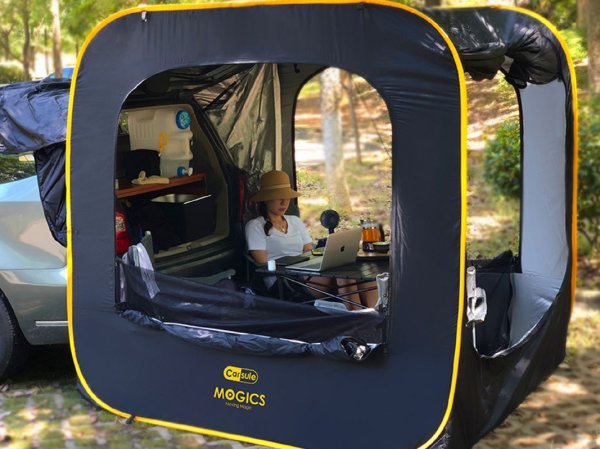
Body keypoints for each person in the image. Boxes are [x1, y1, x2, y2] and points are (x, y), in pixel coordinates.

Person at [245, 170, 376, 309]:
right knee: (341, 272)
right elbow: (262, 263)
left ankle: (374, 311)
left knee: (356, 270)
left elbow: (309, 253)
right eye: (279, 197)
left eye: (287, 197)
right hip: (282, 280)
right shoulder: (255, 226)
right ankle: (356, 314)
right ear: (266, 199)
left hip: (304, 273)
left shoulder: (295, 221)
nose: (284, 202)